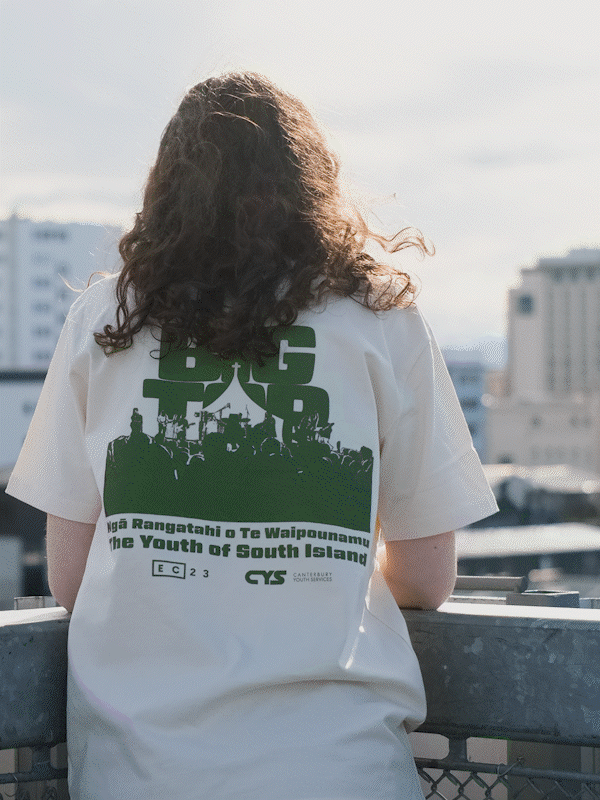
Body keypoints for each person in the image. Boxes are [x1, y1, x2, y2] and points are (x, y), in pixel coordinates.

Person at [7, 72, 497, 800]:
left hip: (141, 773)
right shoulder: (382, 319)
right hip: (340, 769)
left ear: (167, 189)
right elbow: (427, 576)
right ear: (312, 186)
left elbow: (73, 580)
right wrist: (310, 580)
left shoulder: (105, 320)